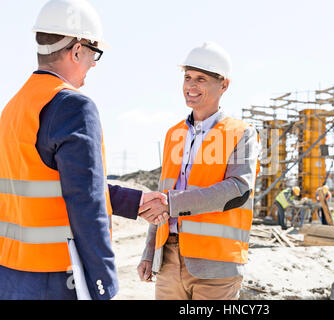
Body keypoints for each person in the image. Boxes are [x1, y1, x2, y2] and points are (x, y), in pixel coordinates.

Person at [0, 0, 166, 300]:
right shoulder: (73, 106)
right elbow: (85, 200)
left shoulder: (13, 109)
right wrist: (105, 285)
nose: (92, 64)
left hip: (10, 275)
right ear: (77, 50)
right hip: (57, 276)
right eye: (94, 54)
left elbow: (51, 183)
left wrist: (134, 200)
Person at [136, 42, 260, 300]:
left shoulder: (241, 133)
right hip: (169, 259)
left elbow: (238, 190)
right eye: (188, 78)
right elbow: (163, 194)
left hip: (216, 265)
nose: (190, 86)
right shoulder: (174, 134)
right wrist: (150, 252)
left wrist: (172, 203)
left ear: (223, 85)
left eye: (201, 79)